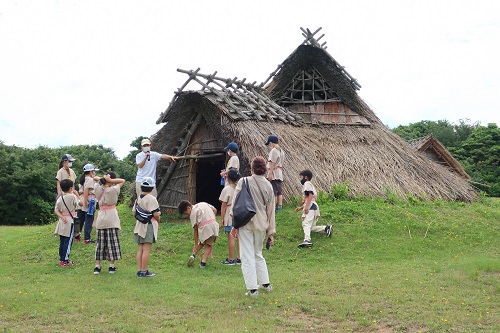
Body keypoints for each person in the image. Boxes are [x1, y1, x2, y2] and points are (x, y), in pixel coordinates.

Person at [231, 156, 276, 297]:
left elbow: (235, 205)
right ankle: (266, 284)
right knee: (258, 253)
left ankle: (252, 289)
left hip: (245, 222)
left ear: (251, 168)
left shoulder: (243, 181)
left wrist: (235, 225)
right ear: (264, 169)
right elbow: (271, 210)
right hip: (262, 223)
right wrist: (271, 232)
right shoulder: (268, 185)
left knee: (247, 255)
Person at [93, 172, 125, 275]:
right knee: (112, 242)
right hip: (112, 218)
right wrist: (111, 181)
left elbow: (95, 179)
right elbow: (122, 181)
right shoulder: (114, 189)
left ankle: (97, 266)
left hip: (101, 217)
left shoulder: (97, 189)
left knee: (100, 243)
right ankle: (111, 266)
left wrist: (103, 178)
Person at [295, 169, 332, 248]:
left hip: (311, 206)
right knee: (311, 227)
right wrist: (301, 207)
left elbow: (310, 195)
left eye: (301, 177)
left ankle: (307, 240)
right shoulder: (308, 184)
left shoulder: (307, 183)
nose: (300, 179)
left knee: (306, 223)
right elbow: (309, 197)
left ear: (306, 177)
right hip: (313, 206)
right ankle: (326, 228)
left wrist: (307, 207)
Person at [133, 176, 161, 277]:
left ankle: (140, 270)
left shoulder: (138, 198)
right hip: (148, 225)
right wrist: (158, 221)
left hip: (139, 225)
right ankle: (144, 271)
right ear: (152, 187)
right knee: (146, 249)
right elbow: (156, 214)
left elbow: (134, 212)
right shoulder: (152, 199)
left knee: (140, 249)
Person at [178, 200, 219, 268]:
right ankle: (195, 256)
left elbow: (195, 229)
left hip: (205, 227)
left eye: (186, 213)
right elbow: (215, 210)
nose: (187, 215)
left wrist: (195, 243)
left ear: (188, 208)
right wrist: (211, 219)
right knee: (207, 243)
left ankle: (203, 261)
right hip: (214, 225)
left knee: (206, 243)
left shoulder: (193, 213)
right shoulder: (203, 203)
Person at [54, 179, 81, 267]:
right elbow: (80, 204)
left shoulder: (60, 198)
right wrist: (77, 195)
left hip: (62, 221)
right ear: (70, 188)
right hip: (70, 220)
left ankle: (62, 258)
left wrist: (61, 217)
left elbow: (56, 210)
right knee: (68, 241)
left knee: (62, 240)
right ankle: (65, 260)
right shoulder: (72, 196)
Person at [55, 154, 81, 241]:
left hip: (72, 193)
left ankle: (76, 233)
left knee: (75, 212)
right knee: (64, 213)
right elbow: (58, 183)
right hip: (64, 193)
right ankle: (62, 231)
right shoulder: (60, 171)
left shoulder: (72, 171)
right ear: (64, 162)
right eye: (69, 161)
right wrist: (59, 193)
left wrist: (74, 192)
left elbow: (73, 183)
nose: (70, 163)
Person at [219, 169, 241, 265]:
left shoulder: (227, 189)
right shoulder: (239, 188)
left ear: (228, 178)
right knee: (239, 236)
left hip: (229, 213)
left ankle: (231, 259)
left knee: (231, 237)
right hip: (239, 214)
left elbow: (224, 205)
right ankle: (239, 258)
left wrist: (222, 219)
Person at [80, 163, 100, 244]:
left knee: (86, 218)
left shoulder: (86, 178)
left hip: (88, 198)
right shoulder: (89, 179)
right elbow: (86, 189)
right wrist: (86, 200)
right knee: (89, 219)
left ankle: (85, 237)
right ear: (91, 171)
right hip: (90, 199)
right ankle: (87, 238)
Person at [265, 135, 285, 211]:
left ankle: (273, 207)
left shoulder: (274, 150)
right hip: (279, 172)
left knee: (274, 191)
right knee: (279, 190)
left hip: (274, 173)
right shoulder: (281, 150)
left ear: (271, 143)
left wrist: (270, 173)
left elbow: (272, 162)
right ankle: (280, 206)